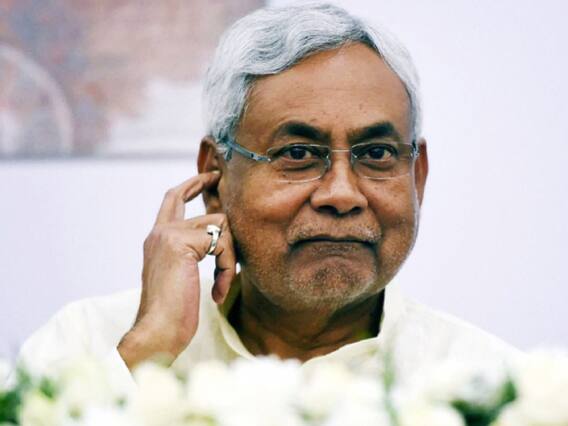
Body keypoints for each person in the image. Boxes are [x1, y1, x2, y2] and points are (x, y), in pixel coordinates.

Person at [19, 2, 519, 386]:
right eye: (298, 154)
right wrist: (149, 348)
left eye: (376, 154)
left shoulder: (491, 384)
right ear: (215, 177)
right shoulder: (88, 343)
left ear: (417, 177)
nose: (342, 194)